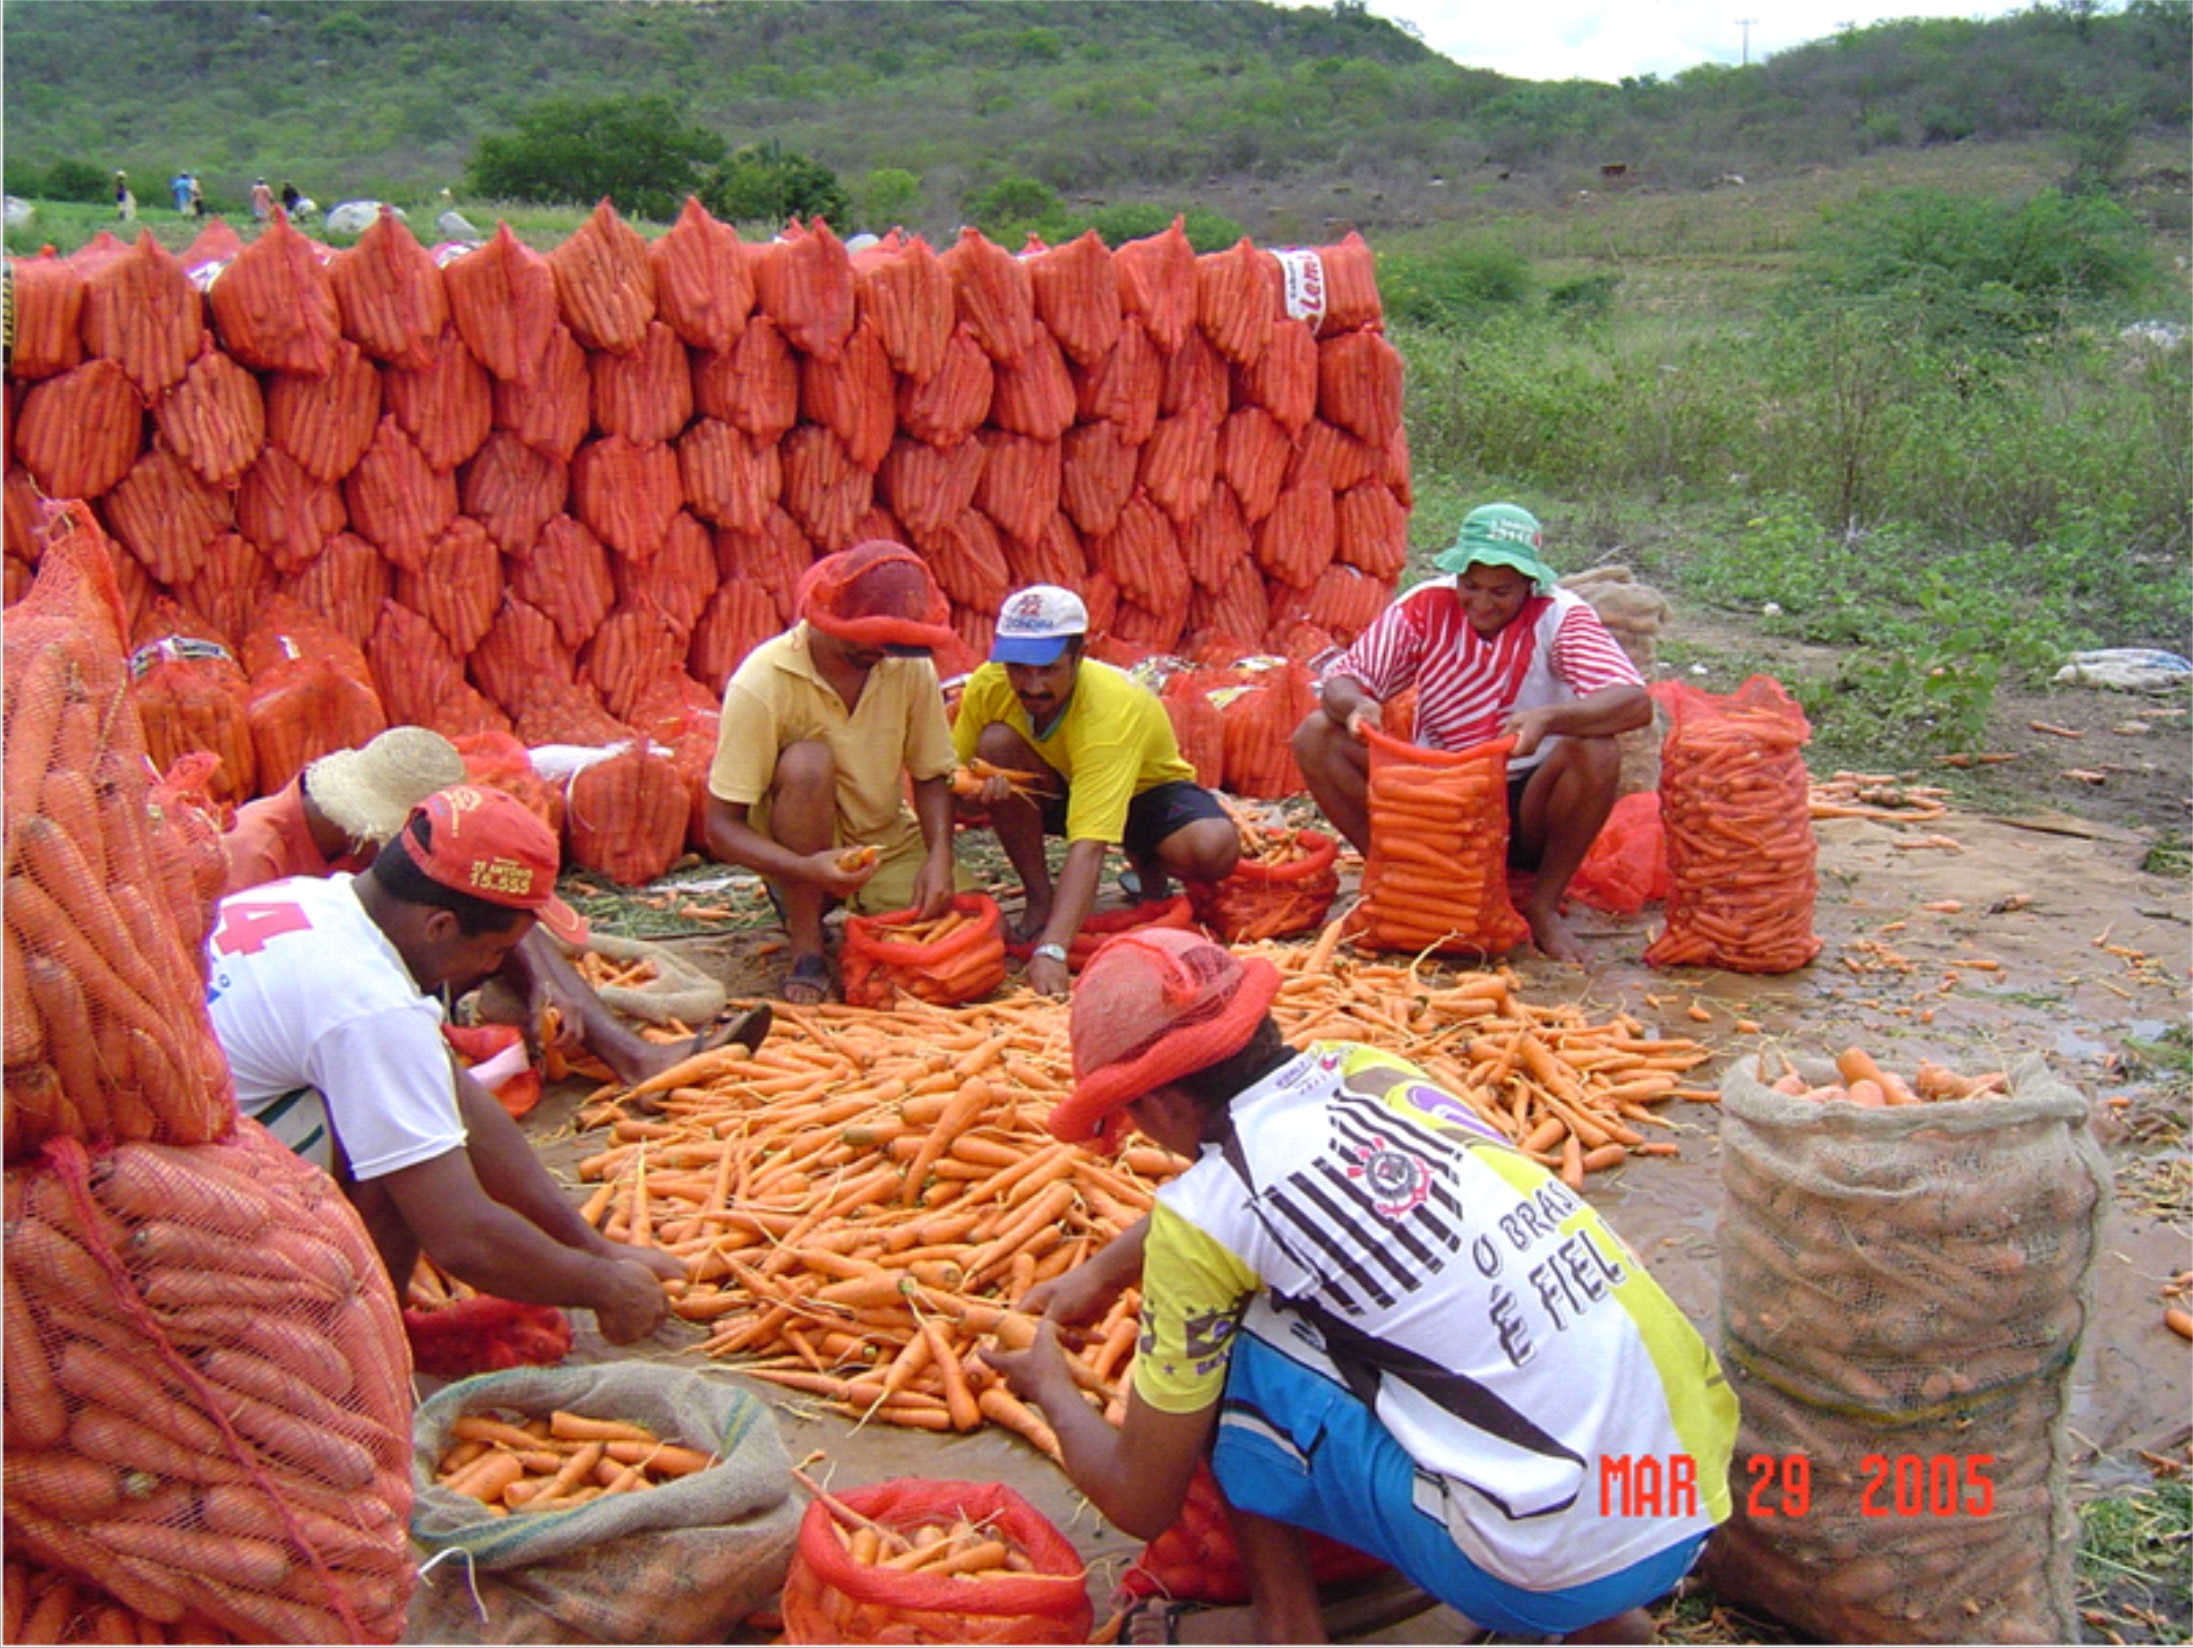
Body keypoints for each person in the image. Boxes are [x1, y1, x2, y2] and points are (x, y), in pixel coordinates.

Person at [982, 927, 1737, 1645]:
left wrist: (1049, 1385)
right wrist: (1102, 1271)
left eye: (1128, 1118)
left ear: (1160, 1103)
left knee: (1242, 1336)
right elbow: (1238, 1196)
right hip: (1684, 1498)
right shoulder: (1363, 1069)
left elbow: (1140, 1499)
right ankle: (1603, 1616)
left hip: (1536, 1567)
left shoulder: (1202, 1218)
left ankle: (1287, 1627)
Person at [205, 786, 683, 1343]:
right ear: (439, 926)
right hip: (197, 1206)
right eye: (498, 952)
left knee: (417, 1093)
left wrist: (591, 1246)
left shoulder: (318, 901)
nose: (491, 969)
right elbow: (462, 1238)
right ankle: (358, 1356)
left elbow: (449, 1089)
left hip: (203, 1133)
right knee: (401, 1163)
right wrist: (605, 1287)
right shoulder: (369, 1003)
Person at [222, 725, 765, 1084]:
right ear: (377, 837)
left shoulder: (360, 854)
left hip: (382, 971)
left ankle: (629, 1054)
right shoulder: (255, 857)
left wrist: (544, 986)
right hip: (300, 1030)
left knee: (502, 910)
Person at [1292, 504, 1648, 966]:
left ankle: (1542, 906)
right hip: (1433, 796)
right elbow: (1345, 677)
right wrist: (1357, 704)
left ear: (1530, 584)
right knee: (1317, 733)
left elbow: (1633, 701)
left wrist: (1549, 719)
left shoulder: (1561, 616)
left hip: (1524, 797)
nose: (1481, 602)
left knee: (1596, 749)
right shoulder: (1425, 604)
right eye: (1470, 586)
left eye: (1501, 591)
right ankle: (1392, 877)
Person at [703, 539, 961, 1006]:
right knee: (807, 764)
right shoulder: (762, 680)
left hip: (883, 838)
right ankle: (805, 940)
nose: (885, 652)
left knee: (956, 931)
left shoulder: (905, 664)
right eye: (872, 640)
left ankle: (847, 900)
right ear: (829, 620)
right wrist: (806, 868)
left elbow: (930, 773)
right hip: (795, 846)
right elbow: (720, 827)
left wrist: (939, 854)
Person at [952, 585, 1239, 999]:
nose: (1032, 685)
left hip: (1147, 793)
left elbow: (1089, 847)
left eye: (1047, 669)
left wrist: (1052, 950)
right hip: (1058, 787)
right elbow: (949, 777)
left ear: (1078, 658)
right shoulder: (989, 685)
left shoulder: (1108, 709)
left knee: (1214, 848)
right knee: (996, 744)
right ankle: (1039, 898)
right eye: (1019, 668)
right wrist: (973, 800)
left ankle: (1147, 858)